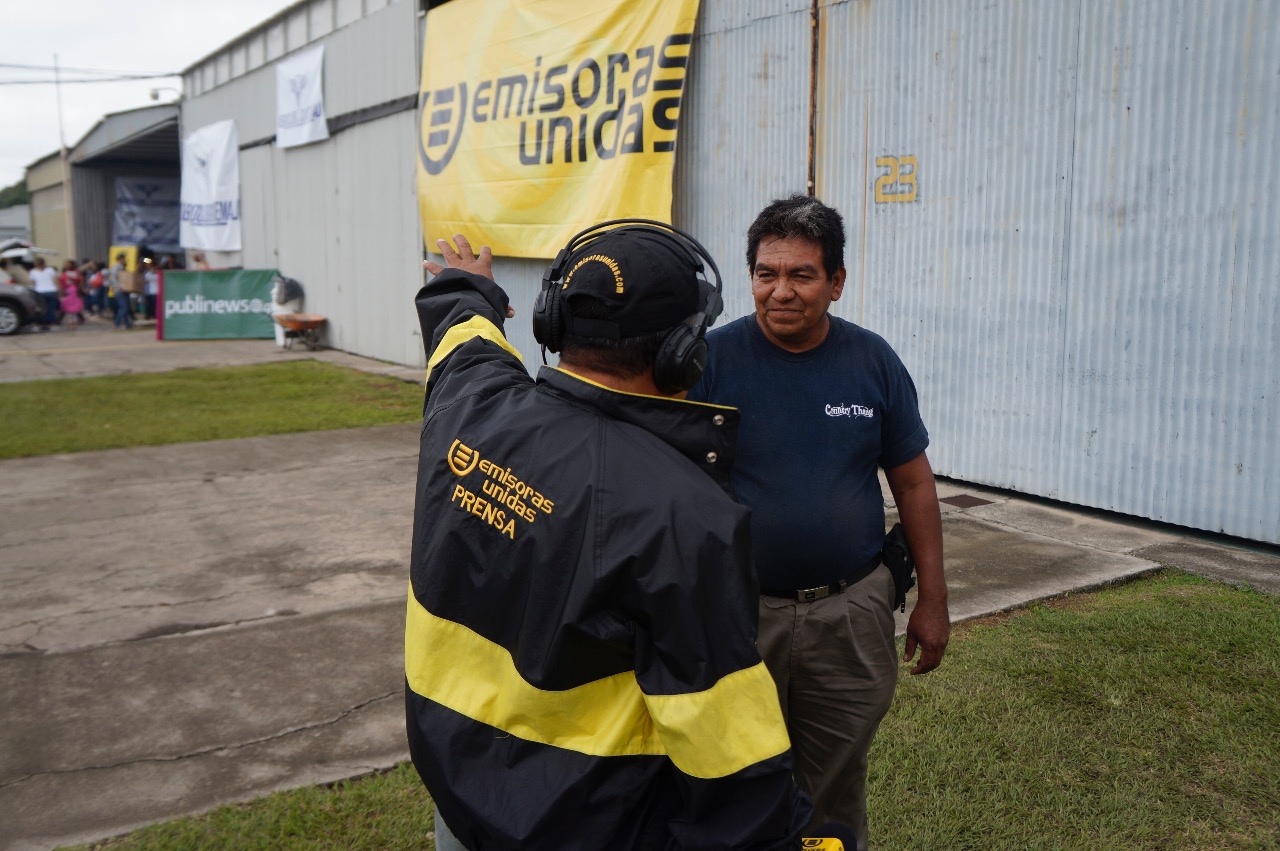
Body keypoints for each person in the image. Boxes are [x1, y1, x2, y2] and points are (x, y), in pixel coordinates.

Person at [405, 225, 817, 850]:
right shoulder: (685, 516)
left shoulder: (468, 403)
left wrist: (470, 288)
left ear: (552, 324)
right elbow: (726, 751)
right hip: (584, 825)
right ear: (683, 353)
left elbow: (462, 334)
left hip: (459, 805)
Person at [687, 195, 951, 851]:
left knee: (833, 783)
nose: (780, 291)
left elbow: (913, 481)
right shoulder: (706, 363)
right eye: (765, 272)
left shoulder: (872, 362)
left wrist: (935, 601)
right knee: (735, 780)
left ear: (836, 281)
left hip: (850, 614)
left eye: (801, 274)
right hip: (737, 617)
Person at [29, 257, 60, 331]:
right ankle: (51, 324)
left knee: (41, 309)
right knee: (51, 309)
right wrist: (58, 290)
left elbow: (33, 283)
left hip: (39, 291)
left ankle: (40, 324)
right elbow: (55, 280)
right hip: (51, 290)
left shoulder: (32, 272)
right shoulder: (50, 270)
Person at [108, 252, 133, 330]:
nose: (125, 260)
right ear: (120, 259)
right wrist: (118, 287)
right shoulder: (117, 267)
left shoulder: (120, 267)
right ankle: (116, 323)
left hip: (123, 289)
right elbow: (115, 278)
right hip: (120, 289)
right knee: (123, 307)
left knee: (125, 307)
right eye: (123, 258)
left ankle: (127, 324)